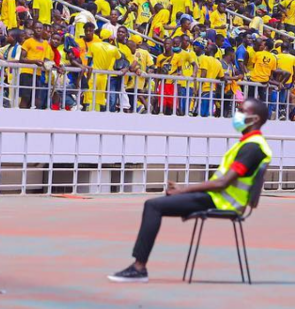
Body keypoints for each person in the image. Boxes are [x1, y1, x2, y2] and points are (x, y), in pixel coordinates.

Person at [108, 97, 271, 283]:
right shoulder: (248, 143)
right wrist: (183, 190)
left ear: (255, 119)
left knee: (153, 206)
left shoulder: (253, 147)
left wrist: (183, 190)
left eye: (242, 110)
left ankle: (139, 268)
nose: (237, 114)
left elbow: (222, 183)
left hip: (223, 201)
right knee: (161, 202)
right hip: (216, 197)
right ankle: (139, 266)